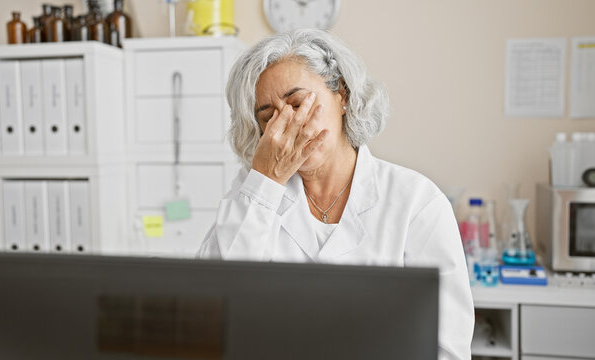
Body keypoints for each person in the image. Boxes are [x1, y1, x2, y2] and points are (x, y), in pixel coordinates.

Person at [197, 29, 473, 359]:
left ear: (341, 94)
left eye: (298, 104)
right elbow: (212, 307)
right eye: (270, 118)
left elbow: (447, 349)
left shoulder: (417, 203)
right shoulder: (255, 193)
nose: (290, 126)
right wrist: (264, 181)